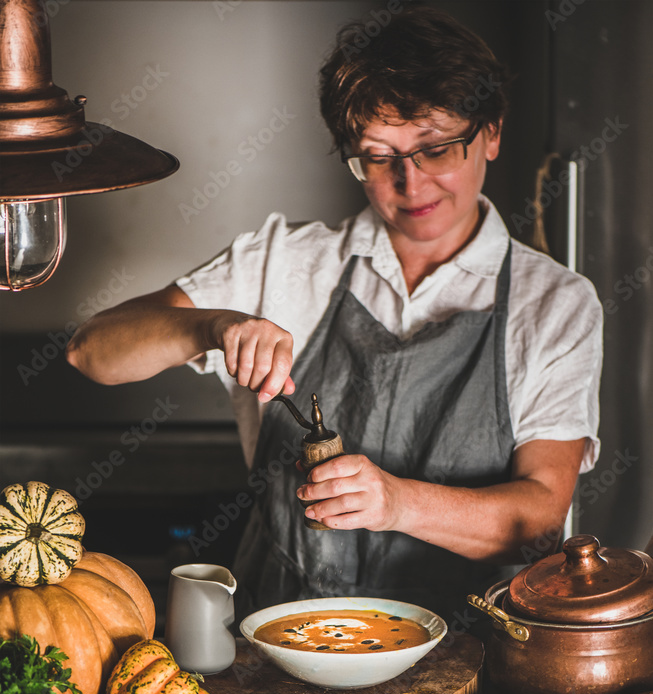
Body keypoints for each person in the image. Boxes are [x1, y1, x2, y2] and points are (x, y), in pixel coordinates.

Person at [66, 6, 603, 624]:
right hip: (276, 653)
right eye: (378, 156)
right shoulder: (283, 262)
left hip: (469, 665)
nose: (412, 182)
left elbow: (538, 522)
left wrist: (397, 503)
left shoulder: (556, 304)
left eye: (435, 148)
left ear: (491, 132)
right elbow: (92, 351)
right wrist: (210, 325)